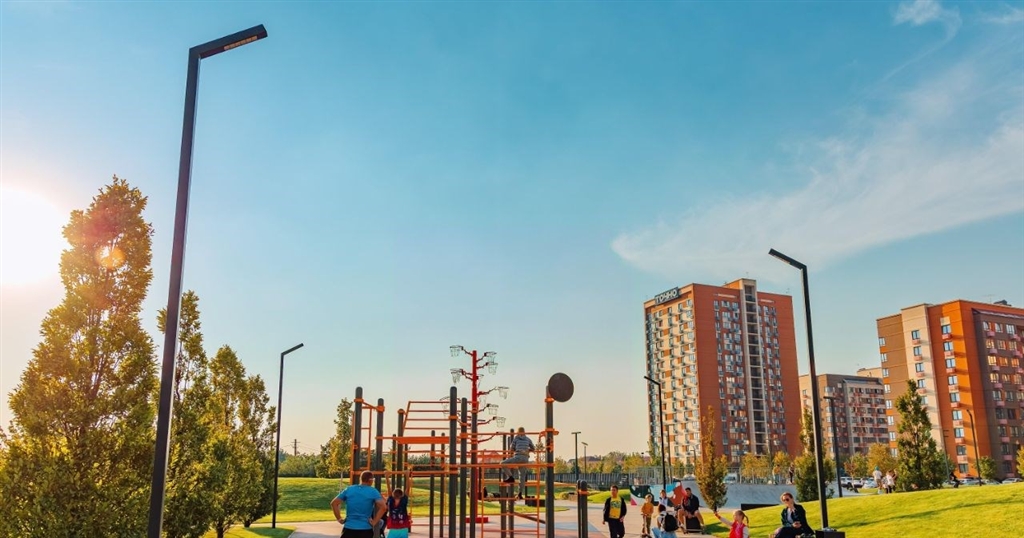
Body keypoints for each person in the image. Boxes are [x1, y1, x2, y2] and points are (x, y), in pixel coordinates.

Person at [332, 471, 388, 538]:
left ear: (360, 479)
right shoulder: (373, 491)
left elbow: (334, 503)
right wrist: (374, 522)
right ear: (371, 480)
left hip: (349, 528)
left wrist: (339, 519)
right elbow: (383, 507)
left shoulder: (349, 489)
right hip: (365, 529)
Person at [501, 426, 535, 499]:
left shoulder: (516, 438)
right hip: (525, 458)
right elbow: (533, 448)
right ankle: (520, 493)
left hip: (518, 457)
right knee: (522, 476)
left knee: (503, 463)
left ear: (518, 432)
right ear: (524, 432)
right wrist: (527, 450)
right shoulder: (528, 439)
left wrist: (514, 451)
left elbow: (511, 449)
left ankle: (510, 477)